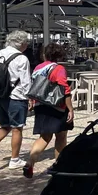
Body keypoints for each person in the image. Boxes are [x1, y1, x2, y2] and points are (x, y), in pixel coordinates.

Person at [23, 43, 74, 178]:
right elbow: (65, 89)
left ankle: (30, 162)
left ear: (45, 54)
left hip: (41, 106)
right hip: (57, 107)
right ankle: (59, 166)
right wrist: (70, 109)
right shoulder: (59, 69)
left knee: (44, 137)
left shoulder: (38, 68)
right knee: (61, 137)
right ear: (59, 55)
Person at [0, 31, 31, 170]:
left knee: (5, 126)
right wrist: (30, 98)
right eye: (26, 42)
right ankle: (15, 159)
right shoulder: (22, 58)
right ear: (21, 43)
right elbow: (26, 82)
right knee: (17, 128)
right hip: (16, 97)